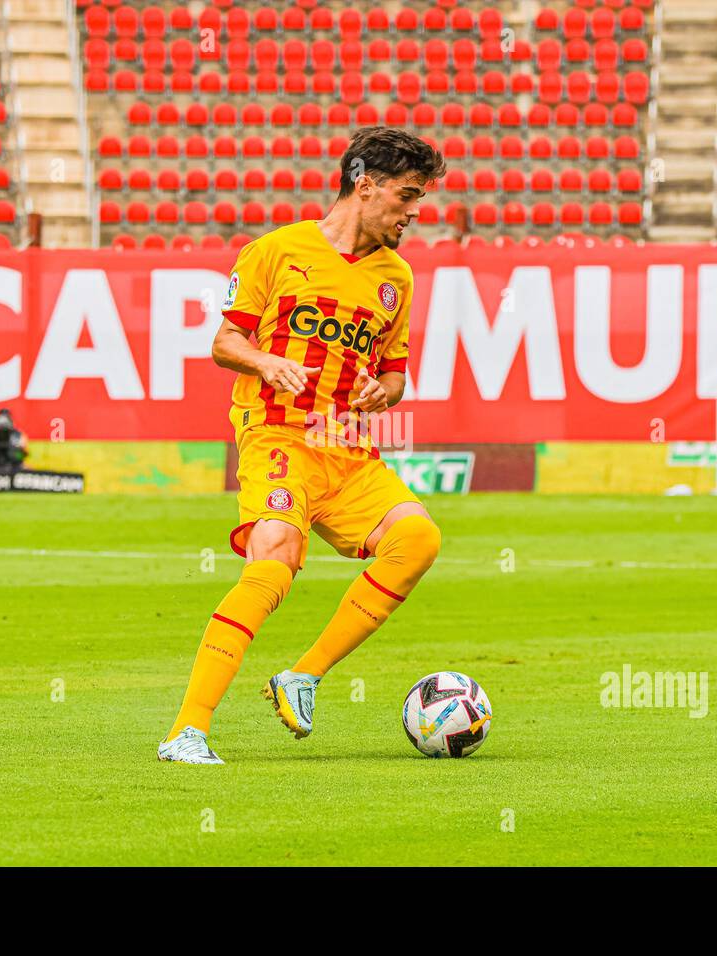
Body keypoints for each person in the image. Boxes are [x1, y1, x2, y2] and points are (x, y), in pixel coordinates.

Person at [159, 127, 447, 764]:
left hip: (346, 447)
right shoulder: (277, 250)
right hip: (278, 436)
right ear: (363, 182)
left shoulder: (395, 278)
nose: (416, 212)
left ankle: (304, 676)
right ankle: (188, 730)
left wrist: (386, 392)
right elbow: (224, 343)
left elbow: (396, 370)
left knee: (419, 539)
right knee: (274, 558)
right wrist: (265, 362)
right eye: (407, 195)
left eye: (421, 198)